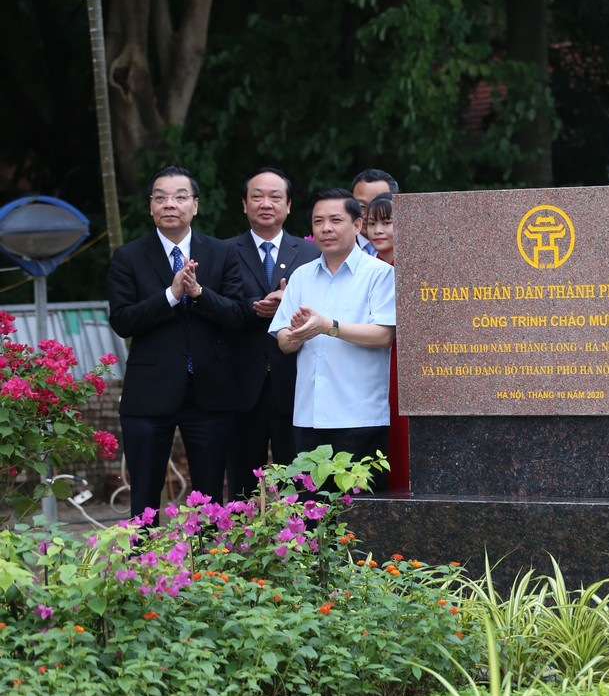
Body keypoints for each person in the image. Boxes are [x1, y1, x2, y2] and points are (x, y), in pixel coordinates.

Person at [108, 165, 245, 521]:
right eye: (161, 197)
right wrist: (171, 294)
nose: (170, 204)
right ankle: (143, 564)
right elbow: (122, 320)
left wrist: (199, 293)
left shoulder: (221, 253)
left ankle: (210, 565)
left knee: (211, 494)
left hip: (210, 392)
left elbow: (236, 316)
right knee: (145, 496)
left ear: (195, 206)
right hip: (150, 393)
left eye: (180, 197)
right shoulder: (128, 257)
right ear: (151, 205)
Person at [269, 189, 397, 493]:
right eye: (318, 221)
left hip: (360, 415)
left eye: (335, 220)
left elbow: (384, 335)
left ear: (357, 225)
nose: (326, 228)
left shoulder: (379, 275)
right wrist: (299, 333)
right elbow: (284, 341)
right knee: (311, 518)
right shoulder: (301, 276)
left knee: (363, 517)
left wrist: (328, 326)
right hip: (309, 414)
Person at [225, 168, 321, 499]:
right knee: (241, 480)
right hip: (242, 382)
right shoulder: (224, 252)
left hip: (295, 380)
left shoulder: (311, 253)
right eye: (257, 196)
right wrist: (255, 307)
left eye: (275, 197)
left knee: (299, 476)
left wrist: (289, 305)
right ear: (244, 204)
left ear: (289, 205)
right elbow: (217, 307)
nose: (266, 204)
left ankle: (302, 546)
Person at [364, 192, 410, 490]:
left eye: (387, 222)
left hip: (402, 359)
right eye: (371, 224)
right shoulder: (365, 267)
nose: (378, 230)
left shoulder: (413, 267)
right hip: (368, 356)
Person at [350, 168, 400, 256]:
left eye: (379, 206)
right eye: (361, 206)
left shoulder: (414, 250)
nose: (369, 214)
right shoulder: (336, 250)